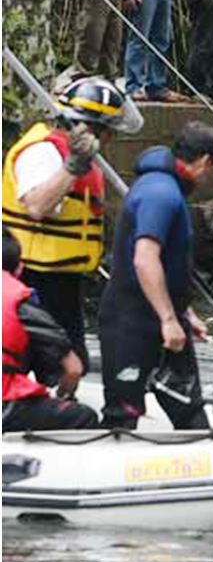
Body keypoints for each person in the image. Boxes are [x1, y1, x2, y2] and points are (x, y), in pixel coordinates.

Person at [1, 77, 144, 372]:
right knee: (52, 362)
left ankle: (53, 403)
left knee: (71, 359)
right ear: (91, 128)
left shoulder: (79, 156)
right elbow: (37, 206)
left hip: (63, 278)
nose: (111, 141)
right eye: (109, 133)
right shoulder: (43, 152)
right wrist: (72, 167)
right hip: (30, 275)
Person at [98, 122, 213, 429]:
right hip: (131, 324)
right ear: (204, 161)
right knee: (123, 414)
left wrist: (184, 312)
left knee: (189, 409)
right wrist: (168, 318)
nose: (207, 177)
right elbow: (145, 259)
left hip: (165, 322)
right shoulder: (161, 193)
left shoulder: (166, 189)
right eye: (210, 169)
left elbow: (170, 262)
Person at [2, 228, 100, 431]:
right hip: (6, 405)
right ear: (20, 268)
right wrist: (60, 394)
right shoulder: (21, 303)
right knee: (83, 416)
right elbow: (73, 369)